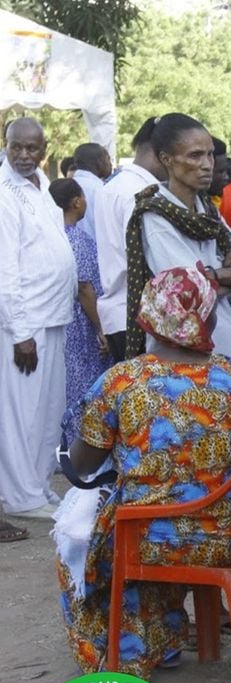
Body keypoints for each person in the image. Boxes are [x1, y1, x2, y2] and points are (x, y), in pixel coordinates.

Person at [56, 266, 231, 678]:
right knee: (153, 510)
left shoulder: (121, 381)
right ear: (208, 319)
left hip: (153, 542)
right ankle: (160, 639)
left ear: (148, 316)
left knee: (81, 537)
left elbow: (82, 467)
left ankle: (124, 650)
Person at [124, 113, 231, 366]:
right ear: (167, 159)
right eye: (195, 155)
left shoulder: (208, 212)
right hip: (184, 358)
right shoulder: (155, 216)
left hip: (227, 344)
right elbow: (189, 291)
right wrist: (229, 273)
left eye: (209, 154)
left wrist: (214, 276)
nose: (207, 164)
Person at [0, 118, 77, 521]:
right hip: (25, 324)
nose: (25, 156)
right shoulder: (4, 192)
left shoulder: (43, 185)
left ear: (44, 148)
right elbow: (5, 268)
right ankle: (19, 496)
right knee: (21, 414)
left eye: (33, 149)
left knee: (48, 413)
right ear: (6, 144)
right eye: (18, 148)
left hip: (53, 316)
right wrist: (20, 332)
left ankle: (38, 487)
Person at [94, 116, 166, 363]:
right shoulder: (139, 191)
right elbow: (149, 256)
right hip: (138, 316)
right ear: (160, 154)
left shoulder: (114, 186)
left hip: (119, 312)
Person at [48, 177, 112, 443]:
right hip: (81, 325)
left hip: (60, 320)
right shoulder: (76, 238)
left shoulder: (50, 235)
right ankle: (78, 447)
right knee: (82, 384)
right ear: (76, 202)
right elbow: (84, 287)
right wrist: (101, 329)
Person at [70, 142, 113, 242]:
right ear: (100, 161)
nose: (110, 164)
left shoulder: (67, 185)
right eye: (108, 159)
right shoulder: (101, 190)